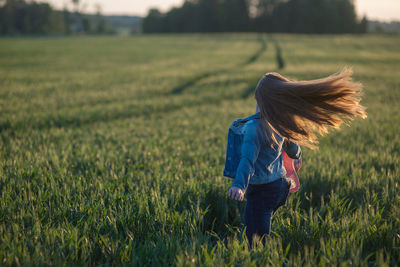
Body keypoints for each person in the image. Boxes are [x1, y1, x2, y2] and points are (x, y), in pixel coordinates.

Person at [225, 68, 367, 246]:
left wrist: (239, 185)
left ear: (259, 99)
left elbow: (247, 160)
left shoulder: (254, 128)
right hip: (279, 187)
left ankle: (266, 258)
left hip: (261, 191)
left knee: (254, 239)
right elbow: (293, 150)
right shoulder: (279, 123)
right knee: (261, 220)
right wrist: (297, 156)